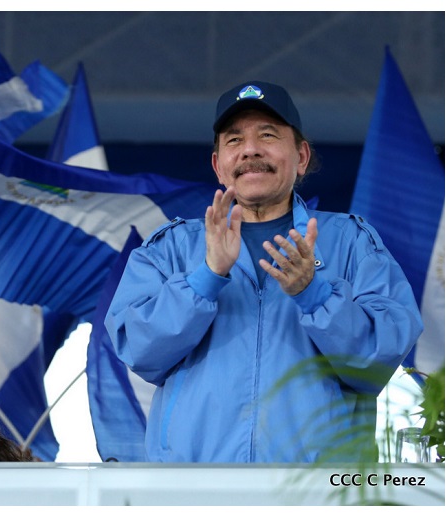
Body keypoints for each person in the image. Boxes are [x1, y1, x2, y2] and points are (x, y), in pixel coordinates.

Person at [104, 81, 423, 463]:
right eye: (234, 140)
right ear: (218, 165)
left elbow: (379, 359)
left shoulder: (353, 242)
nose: (250, 149)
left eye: (268, 135)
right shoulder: (170, 247)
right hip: (195, 484)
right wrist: (205, 278)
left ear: (301, 156)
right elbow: (139, 351)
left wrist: (315, 295)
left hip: (319, 486)